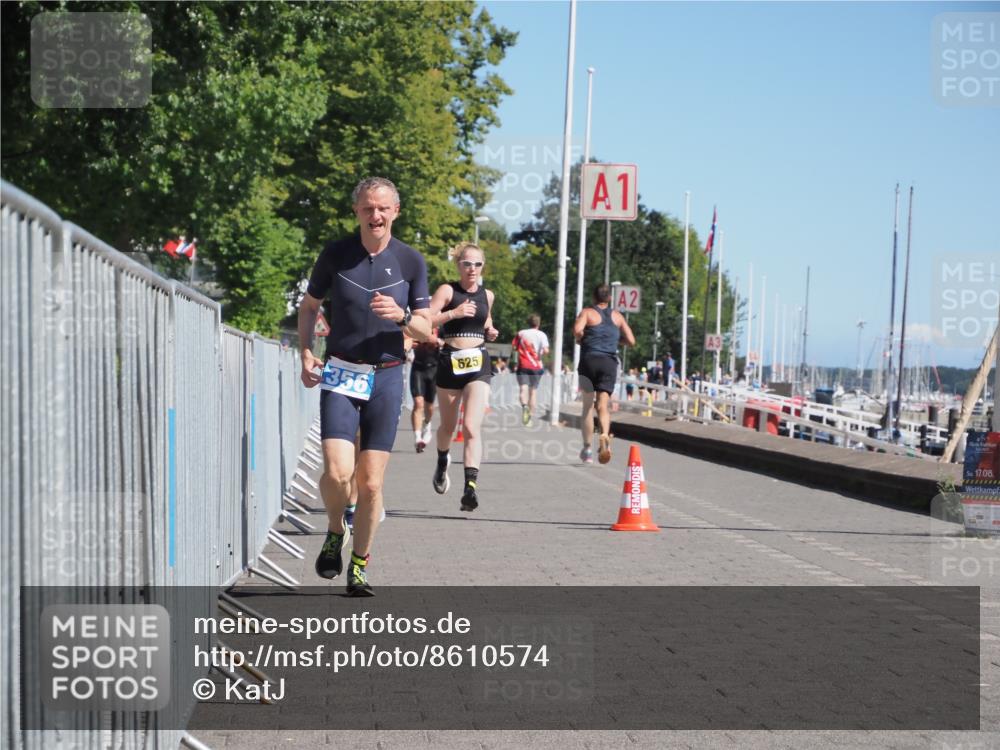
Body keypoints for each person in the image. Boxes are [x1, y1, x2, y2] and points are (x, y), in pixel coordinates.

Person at [298, 177, 431, 597]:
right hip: (340, 371)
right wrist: (305, 351)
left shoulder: (410, 261)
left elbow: (426, 330)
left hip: (387, 376)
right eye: (368, 208)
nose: (376, 216)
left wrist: (401, 316)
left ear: (395, 212)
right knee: (337, 472)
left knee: (371, 483)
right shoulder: (336, 254)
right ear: (356, 211)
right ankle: (336, 529)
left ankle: (360, 563)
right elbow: (309, 306)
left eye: (383, 208)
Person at [429, 243, 498, 511]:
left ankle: (470, 487)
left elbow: (486, 321)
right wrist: (453, 314)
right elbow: (426, 320)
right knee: (447, 428)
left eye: (478, 264)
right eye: (467, 264)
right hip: (450, 362)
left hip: (478, 363)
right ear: (458, 265)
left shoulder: (487, 295)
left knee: (471, 427)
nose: (472, 269)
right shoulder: (448, 291)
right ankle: (442, 460)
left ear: (483, 267)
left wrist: (491, 331)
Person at [573, 284, 635, 464]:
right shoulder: (617, 316)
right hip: (609, 362)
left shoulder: (587, 312)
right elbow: (631, 340)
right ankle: (605, 436)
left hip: (589, 360)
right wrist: (615, 341)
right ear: (609, 299)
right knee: (603, 406)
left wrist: (581, 339)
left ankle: (587, 449)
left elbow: (577, 330)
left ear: (594, 297)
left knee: (587, 407)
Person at [511, 313, 550, 426]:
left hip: (523, 365)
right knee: (533, 393)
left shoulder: (521, 334)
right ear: (538, 323)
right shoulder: (542, 335)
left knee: (523, 389)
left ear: (528, 322)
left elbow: (514, 348)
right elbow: (546, 350)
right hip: (536, 366)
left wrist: (515, 362)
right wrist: (540, 352)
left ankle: (524, 407)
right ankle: (529, 418)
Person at [409, 328, 441, 452]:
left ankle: (427, 424)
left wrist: (438, 340)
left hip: (434, 369)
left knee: (430, 406)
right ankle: (417, 438)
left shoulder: (442, 326)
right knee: (418, 403)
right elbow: (408, 337)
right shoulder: (419, 324)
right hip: (418, 368)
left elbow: (450, 342)